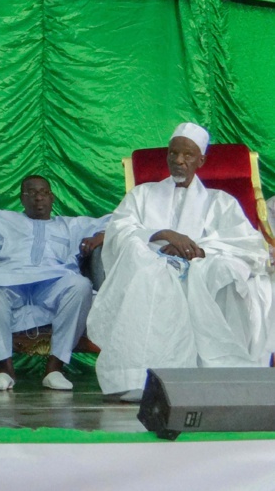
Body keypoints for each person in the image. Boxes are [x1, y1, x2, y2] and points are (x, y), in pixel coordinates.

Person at [88, 123, 275, 401]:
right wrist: (162, 235)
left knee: (224, 271)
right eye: (173, 153)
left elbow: (244, 242)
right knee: (149, 272)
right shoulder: (142, 194)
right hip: (152, 264)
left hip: (202, 268)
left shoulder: (219, 201)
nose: (178, 160)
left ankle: (217, 374)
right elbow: (120, 232)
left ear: (201, 160)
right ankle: (140, 379)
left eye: (188, 155)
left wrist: (198, 251)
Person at [0, 176, 108, 391]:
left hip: (54, 281)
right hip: (10, 277)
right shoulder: (0, 219)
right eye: (31, 193)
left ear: (52, 197)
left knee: (81, 286)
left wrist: (101, 236)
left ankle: (54, 368)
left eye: (43, 193)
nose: (38, 198)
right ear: (22, 199)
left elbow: (119, 221)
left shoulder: (73, 225)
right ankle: (5, 369)